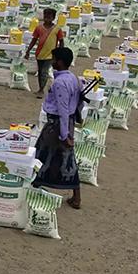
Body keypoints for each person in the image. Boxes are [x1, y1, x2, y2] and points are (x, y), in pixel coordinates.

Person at [32, 47, 82, 209]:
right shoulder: (74, 78)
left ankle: (34, 187)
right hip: (66, 123)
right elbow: (79, 100)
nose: (52, 62)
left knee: (41, 153)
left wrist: (63, 134)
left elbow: (62, 109)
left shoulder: (60, 83)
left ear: (59, 62)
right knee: (66, 157)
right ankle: (76, 197)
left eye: (54, 59)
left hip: (57, 124)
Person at [25, 8, 65, 97]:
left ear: (53, 18)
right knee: (40, 71)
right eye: (45, 16)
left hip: (50, 55)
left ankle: (41, 90)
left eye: (49, 16)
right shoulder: (39, 28)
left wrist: (60, 52)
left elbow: (61, 41)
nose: (47, 18)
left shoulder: (57, 29)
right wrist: (28, 50)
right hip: (39, 53)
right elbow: (34, 40)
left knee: (44, 71)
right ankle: (40, 88)